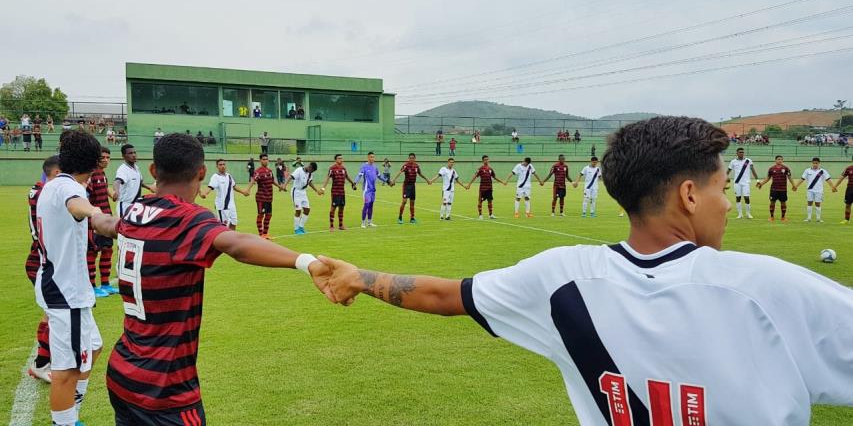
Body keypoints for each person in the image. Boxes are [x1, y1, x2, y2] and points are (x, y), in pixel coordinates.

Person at [320, 116, 853, 425]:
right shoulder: (766, 287)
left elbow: (444, 295)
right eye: (722, 188)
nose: (728, 203)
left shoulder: (562, 278)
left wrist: (360, 278)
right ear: (690, 195)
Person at [89, 133, 341, 425]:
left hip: (122, 373)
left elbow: (107, 224)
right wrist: (307, 262)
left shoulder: (134, 211)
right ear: (201, 172)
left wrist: (87, 210)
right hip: (165, 389)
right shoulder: (187, 219)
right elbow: (236, 243)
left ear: (154, 171)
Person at [35, 131, 110, 426]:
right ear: (94, 163)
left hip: (63, 284)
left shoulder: (53, 184)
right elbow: (76, 204)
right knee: (67, 370)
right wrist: (96, 213)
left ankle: (70, 415)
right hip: (66, 291)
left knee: (93, 347)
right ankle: (64, 421)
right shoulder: (69, 187)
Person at [25, 156, 61, 384]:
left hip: (42, 258)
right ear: (56, 173)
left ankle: (45, 360)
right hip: (41, 260)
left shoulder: (39, 189)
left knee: (53, 313)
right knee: (53, 314)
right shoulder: (44, 192)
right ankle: (41, 364)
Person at [87, 146, 117, 297]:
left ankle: (105, 284)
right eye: (102, 157)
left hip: (106, 219)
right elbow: (85, 196)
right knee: (92, 252)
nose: (105, 160)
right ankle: (92, 287)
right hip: (94, 221)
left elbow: (104, 189)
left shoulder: (102, 173)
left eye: (108, 157)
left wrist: (113, 194)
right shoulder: (90, 174)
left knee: (107, 250)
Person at [200, 159, 250, 230]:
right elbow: (210, 187)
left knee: (233, 223)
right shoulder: (215, 177)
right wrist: (204, 193)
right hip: (222, 207)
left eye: (224, 164)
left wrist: (243, 192)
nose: (222, 166)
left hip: (232, 206)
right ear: (217, 166)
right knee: (223, 227)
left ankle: (232, 237)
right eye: (220, 165)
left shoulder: (229, 176)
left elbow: (234, 186)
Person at [246, 153, 284, 238]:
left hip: (269, 197)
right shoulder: (258, 171)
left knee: (269, 215)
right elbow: (253, 180)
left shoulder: (269, 171)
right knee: (261, 215)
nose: (265, 161)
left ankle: (265, 233)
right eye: (263, 159)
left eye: (266, 159)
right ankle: (261, 234)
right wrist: (248, 190)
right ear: (260, 161)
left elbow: (272, 181)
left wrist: (279, 186)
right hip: (261, 198)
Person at [113, 144, 155, 217]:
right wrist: (116, 191)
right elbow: (117, 181)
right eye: (130, 153)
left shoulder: (136, 168)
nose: (134, 155)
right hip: (125, 206)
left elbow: (139, 182)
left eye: (134, 152)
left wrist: (149, 188)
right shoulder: (123, 169)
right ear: (123, 156)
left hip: (135, 205)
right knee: (123, 224)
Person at [283, 162, 323, 235]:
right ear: (310, 167)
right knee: (298, 210)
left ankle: (301, 227)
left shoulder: (310, 174)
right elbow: (290, 177)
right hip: (296, 192)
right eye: (312, 170)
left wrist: (317, 191)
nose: (312, 172)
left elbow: (309, 182)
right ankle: (296, 229)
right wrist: (284, 185)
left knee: (307, 210)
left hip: (303, 192)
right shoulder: (299, 170)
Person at [392, 153, 432, 224]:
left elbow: (420, 174)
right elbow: (400, 172)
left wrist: (427, 180)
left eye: (413, 158)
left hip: (413, 186)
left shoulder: (416, 166)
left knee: (412, 203)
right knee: (404, 201)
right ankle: (400, 217)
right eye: (410, 158)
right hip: (406, 186)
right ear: (408, 158)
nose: (411, 159)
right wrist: (394, 180)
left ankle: (412, 218)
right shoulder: (405, 165)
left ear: (415, 159)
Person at [321, 154, 357, 231]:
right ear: (336, 160)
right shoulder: (332, 168)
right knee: (333, 208)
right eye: (339, 158)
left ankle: (341, 225)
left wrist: (353, 184)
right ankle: (331, 226)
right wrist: (323, 188)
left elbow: (347, 177)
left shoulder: (344, 168)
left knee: (341, 208)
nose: (341, 160)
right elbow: (327, 177)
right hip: (335, 192)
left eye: (341, 158)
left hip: (342, 192)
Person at [795, 158, 837, 222]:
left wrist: (833, 187)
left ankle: (818, 218)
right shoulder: (807, 170)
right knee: (809, 203)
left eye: (816, 163)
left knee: (818, 203)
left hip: (819, 190)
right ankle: (809, 218)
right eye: (814, 163)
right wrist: (796, 186)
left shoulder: (822, 171)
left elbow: (828, 179)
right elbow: (802, 179)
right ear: (812, 163)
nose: (815, 164)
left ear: (819, 163)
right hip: (810, 190)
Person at [756, 155, 797, 222]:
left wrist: (793, 185)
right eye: (778, 159)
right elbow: (768, 178)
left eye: (781, 159)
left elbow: (789, 177)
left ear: (782, 160)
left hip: (783, 189)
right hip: (774, 189)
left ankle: (783, 217)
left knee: (783, 203)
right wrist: (761, 184)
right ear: (775, 160)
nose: (780, 160)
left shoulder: (786, 168)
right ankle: (772, 217)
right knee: (772, 202)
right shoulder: (771, 169)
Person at [355, 152, 389, 228]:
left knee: (371, 205)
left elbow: (379, 176)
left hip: (373, 190)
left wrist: (387, 181)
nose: (372, 158)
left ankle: (369, 222)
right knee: (366, 204)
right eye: (371, 157)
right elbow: (359, 175)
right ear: (368, 157)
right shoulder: (364, 166)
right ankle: (363, 223)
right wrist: (355, 182)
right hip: (366, 190)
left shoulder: (375, 167)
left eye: (373, 157)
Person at [467, 155, 505, 220]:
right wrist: (469, 184)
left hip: (489, 188)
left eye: (487, 159)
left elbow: (494, 177)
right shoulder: (480, 169)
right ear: (483, 160)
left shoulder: (490, 169)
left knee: (490, 201)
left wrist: (502, 182)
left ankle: (491, 215)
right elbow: (475, 176)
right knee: (480, 201)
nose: (486, 161)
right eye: (485, 159)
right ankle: (480, 215)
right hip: (482, 188)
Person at [726, 147, 759, 219]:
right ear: (737, 153)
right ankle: (740, 214)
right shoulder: (733, 162)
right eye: (740, 152)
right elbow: (728, 171)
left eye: (742, 152)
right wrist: (724, 178)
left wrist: (757, 180)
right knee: (738, 198)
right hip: (737, 182)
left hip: (746, 183)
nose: (742, 153)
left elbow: (753, 170)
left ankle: (748, 214)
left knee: (746, 197)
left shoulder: (748, 161)